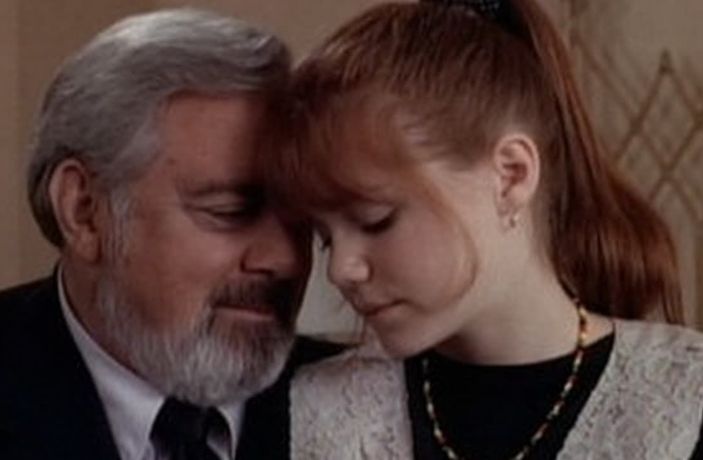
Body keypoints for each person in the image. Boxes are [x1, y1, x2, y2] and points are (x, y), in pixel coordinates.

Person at [268, 0, 703, 458]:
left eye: (375, 220)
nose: (340, 269)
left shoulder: (684, 400)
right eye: (325, 237)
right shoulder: (309, 407)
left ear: (511, 176)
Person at [0, 8, 324, 460]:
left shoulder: (363, 403)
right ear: (84, 211)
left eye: (302, 215)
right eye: (230, 211)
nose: (286, 259)